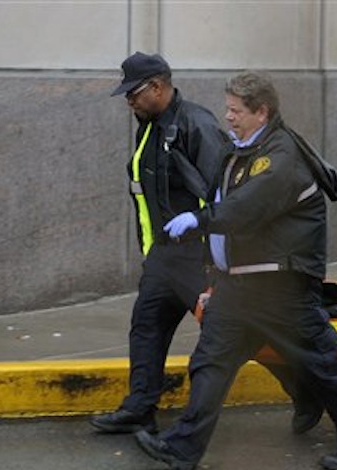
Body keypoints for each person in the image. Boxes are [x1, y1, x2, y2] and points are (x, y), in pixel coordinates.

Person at [133, 70, 337, 470]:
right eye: (227, 109)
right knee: (210, 362)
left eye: (236, 111)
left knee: (322, 364)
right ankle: (183, 447)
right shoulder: (244, 150)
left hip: (281, 284)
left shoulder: (280, 157)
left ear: (261, 112)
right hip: (242, 285)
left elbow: (246, 207)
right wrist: (215, 275)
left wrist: (199, 220)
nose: (228, 117)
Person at [90, 53, 320, 436]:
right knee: (146, 326)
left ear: (158, 87)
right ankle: (140, 407)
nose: (129, 101)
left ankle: (305, 392)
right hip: (164, 256)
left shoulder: (194, 124)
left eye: (134, 93)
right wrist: (152, 251)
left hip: (197, 256)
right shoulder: (148, 126)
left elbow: (227, 191)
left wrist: (217, 256)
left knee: (238, 332)